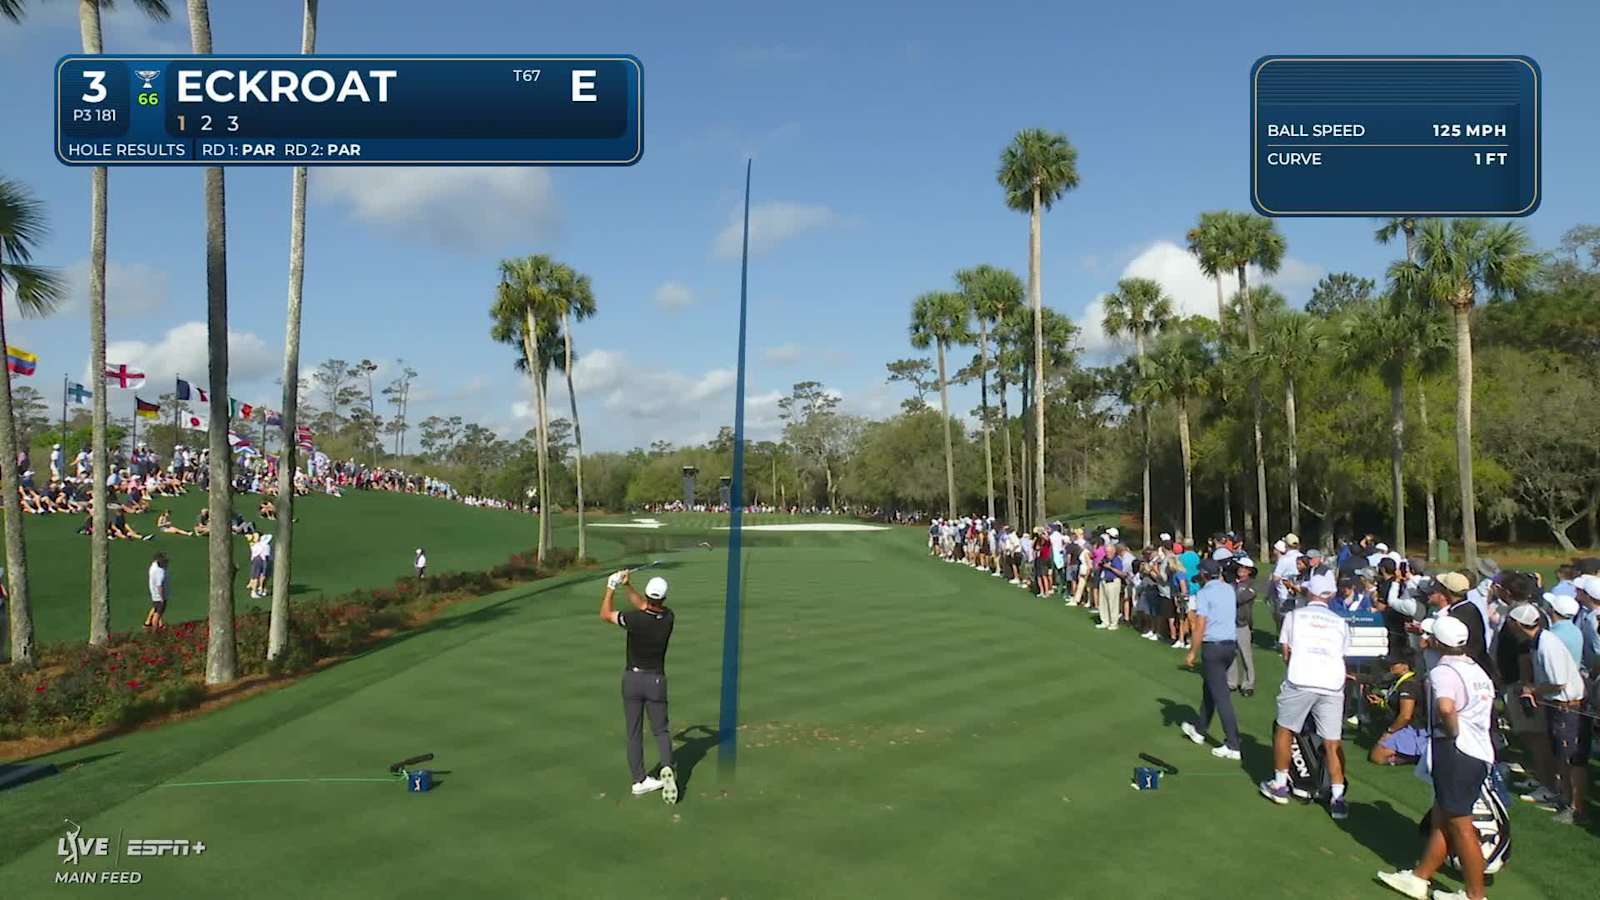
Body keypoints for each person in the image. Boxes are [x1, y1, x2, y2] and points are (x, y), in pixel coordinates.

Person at [1377, 616, 1495, 900]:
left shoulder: (1444, 671)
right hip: (1477, 751)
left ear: (1437, 643)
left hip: (1458, 751)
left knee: (1461, 826)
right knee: (1442, 817)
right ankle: (1419, 878)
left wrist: (1451, 731)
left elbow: (1445, 707)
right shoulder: (1475, 669)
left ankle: (1475, 895)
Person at [1258, 571, 1352, 818]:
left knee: (1285, 729)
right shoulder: (1340, 622)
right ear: (1330, 594)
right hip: (1332, 684)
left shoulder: (1294, 616)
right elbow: (1342, 653)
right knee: (1332, 742)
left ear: (1309, 592)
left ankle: (1280, 784)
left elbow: (1286, 653)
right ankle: (1338, 797)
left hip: (1301, 680)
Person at [599, 568, 678, 804]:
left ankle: (639, 781)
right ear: (664, 598)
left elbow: (605, 614)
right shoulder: (668, 618)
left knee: (634, 733)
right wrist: (626, 585)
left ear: (647, 595)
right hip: (655, 681)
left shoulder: (634, 619)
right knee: (661, 730)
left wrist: (611, 587)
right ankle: (666, 767)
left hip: (632, 680)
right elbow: (646, 606)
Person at [1507, 602, 1589, 825]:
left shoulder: (1547, 645)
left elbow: (1558, 682)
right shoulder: (1540, 641)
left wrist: (1532, 690)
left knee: (1571, 759)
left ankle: (1574, 808)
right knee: (1562, 757)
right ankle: (1564, 799)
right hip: (1560, 706)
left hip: (1567, 707)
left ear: (1517, 624)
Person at [1180, 559, 1242, 760]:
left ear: (1204, 575)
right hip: (1230, 646)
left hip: (1213, 647)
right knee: (1210, 688)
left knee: (1221, 696)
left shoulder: (1204, 593)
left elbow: (1200, 625)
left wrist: (1192, 652)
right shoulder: (1228, 589)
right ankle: (1199, 730)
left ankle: (1233, 744)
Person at [1368, 654, 1428, 766]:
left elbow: (1405, 715)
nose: (1390, 666)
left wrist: (1390, 731)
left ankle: (1418, 757)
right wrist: (1381, 702)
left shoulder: (1409, 685)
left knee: (1378, 756)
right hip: (1406, 726)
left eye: (1394, 664)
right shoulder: (1399, 681)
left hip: (1413, 728)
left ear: (1405, 666)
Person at [1227, 557, 1259, 695]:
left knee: (1246, 655)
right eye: (1240, 567)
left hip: (1242, 623)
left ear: (1250, 571)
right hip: (1229, 623)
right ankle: (1231, 682)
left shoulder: (1251, 585)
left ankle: (1248, 684)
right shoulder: (1233, 583)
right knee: (1231, 654)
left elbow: (1239, 598)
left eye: (1244, 568)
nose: (1241, 569)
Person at [144, 553, 169, 630]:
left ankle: (154, 624)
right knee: (158, 612)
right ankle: (155, 629)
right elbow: (159, 586)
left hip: (154, 593)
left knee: (156, 608)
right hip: (159, 595)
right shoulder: (160, 572)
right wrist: (162, 597)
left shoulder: (154, 566)